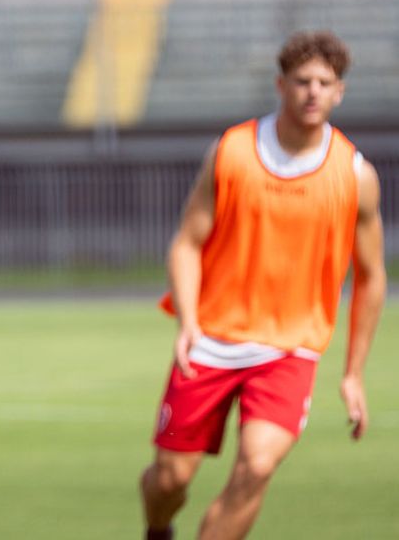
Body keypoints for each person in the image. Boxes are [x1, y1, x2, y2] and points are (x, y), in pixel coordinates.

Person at [139, 31, 387, 540]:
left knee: (256, 466)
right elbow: (187, 242)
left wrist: (354, 373)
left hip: (289, 348)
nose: (313, 91)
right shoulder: (232, 152)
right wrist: (188, 320)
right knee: (170, 479)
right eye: (302, 81)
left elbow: (372, 276)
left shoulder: (356, 175)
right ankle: (157, 529)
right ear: (280, 85)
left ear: (340, 92)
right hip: (211, 338)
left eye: (325, 82)